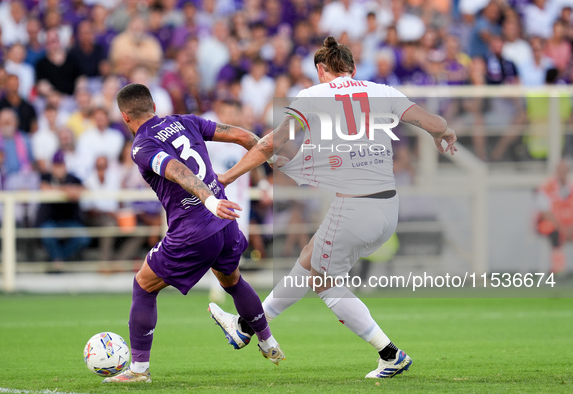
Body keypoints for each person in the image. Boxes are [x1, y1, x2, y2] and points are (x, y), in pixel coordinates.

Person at [208, 36, 457, 379]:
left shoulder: (314, 96)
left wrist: (226, 176)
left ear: (322, 70)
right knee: (309, 259)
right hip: (387, 207)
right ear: (353, 68)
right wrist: (442, 134)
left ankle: (390, 354)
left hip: (354, 207)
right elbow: (434, 123)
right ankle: (245, 327)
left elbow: (271, 144)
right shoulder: (381, 91)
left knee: (324, 282)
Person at [102, 83, 284, 384]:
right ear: (153, 107)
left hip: (195, 229)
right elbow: (242, 136)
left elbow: (178, 171)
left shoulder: (142, 146)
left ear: (124, 117)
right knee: (232, 279)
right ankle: (268, 342)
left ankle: (138, 370)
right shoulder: (184, 121)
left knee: (144, 286)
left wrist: (209, 201)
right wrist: (271, 158)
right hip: (227, 226)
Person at [537, 160, 573, 274]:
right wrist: (562, 226)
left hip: (568, 226)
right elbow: (545, 213)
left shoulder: (570, 189)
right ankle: (558, 271)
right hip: (550, 225)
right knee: (555, 234)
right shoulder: (547, 188)